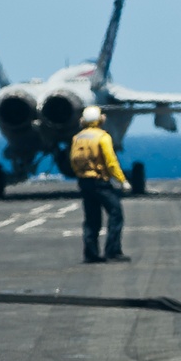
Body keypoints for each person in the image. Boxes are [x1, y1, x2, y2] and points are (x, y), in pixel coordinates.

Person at [69, 106, 131, 263]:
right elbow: (111, 162)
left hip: (84, 182)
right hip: (100, 182)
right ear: (100, 120)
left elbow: (73, 161)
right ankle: (112, 251)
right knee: (116, 213)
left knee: (91, 219)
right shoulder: (102, 137)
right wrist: (122, 180)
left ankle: (91, 254)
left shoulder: (77, 138)